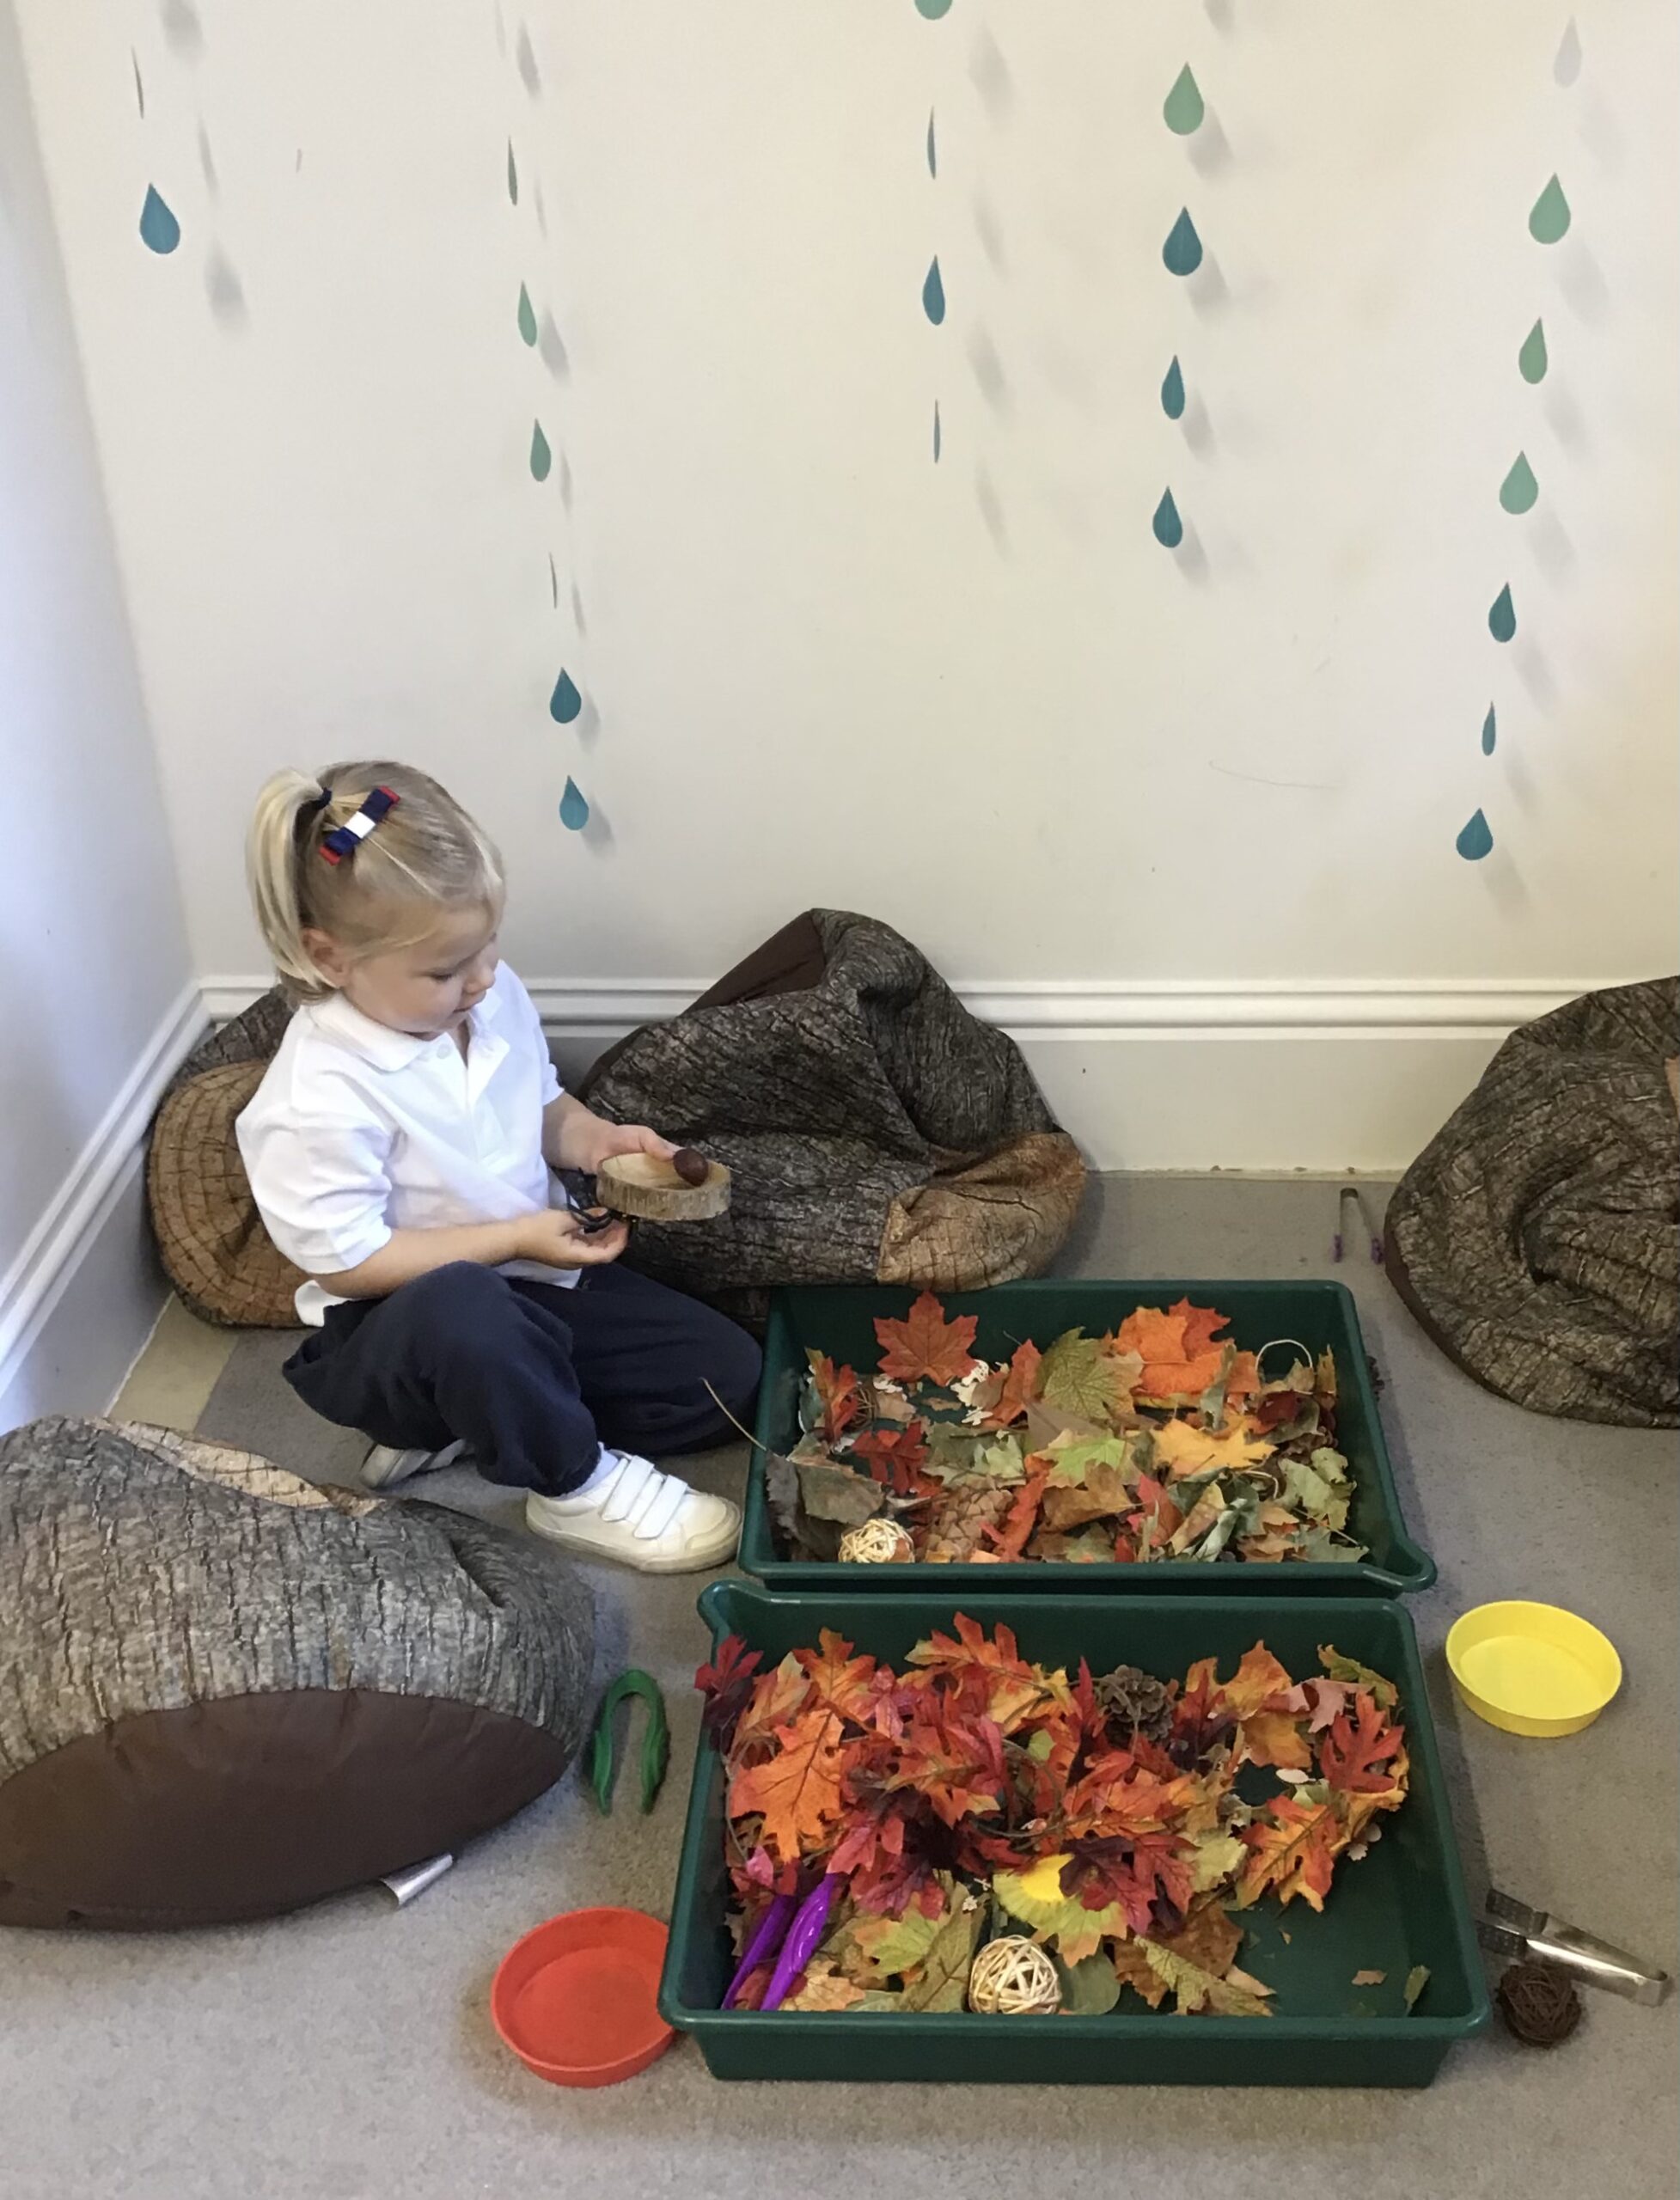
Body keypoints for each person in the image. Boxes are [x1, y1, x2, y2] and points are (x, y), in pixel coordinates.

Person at [234, 760, 757, 1573]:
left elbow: (539, 1106)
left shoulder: (489, 996)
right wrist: (513, 1236)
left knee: (726, 1381)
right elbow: (348, 1262)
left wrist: (598, 1142)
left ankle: (491, 1417)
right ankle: (572, 1484)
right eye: (445, 971)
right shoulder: (317, 1096)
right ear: (329, 957)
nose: (481, 980)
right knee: (466, 1307)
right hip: (400, 1329)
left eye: (487, 948)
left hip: (532, 1283)